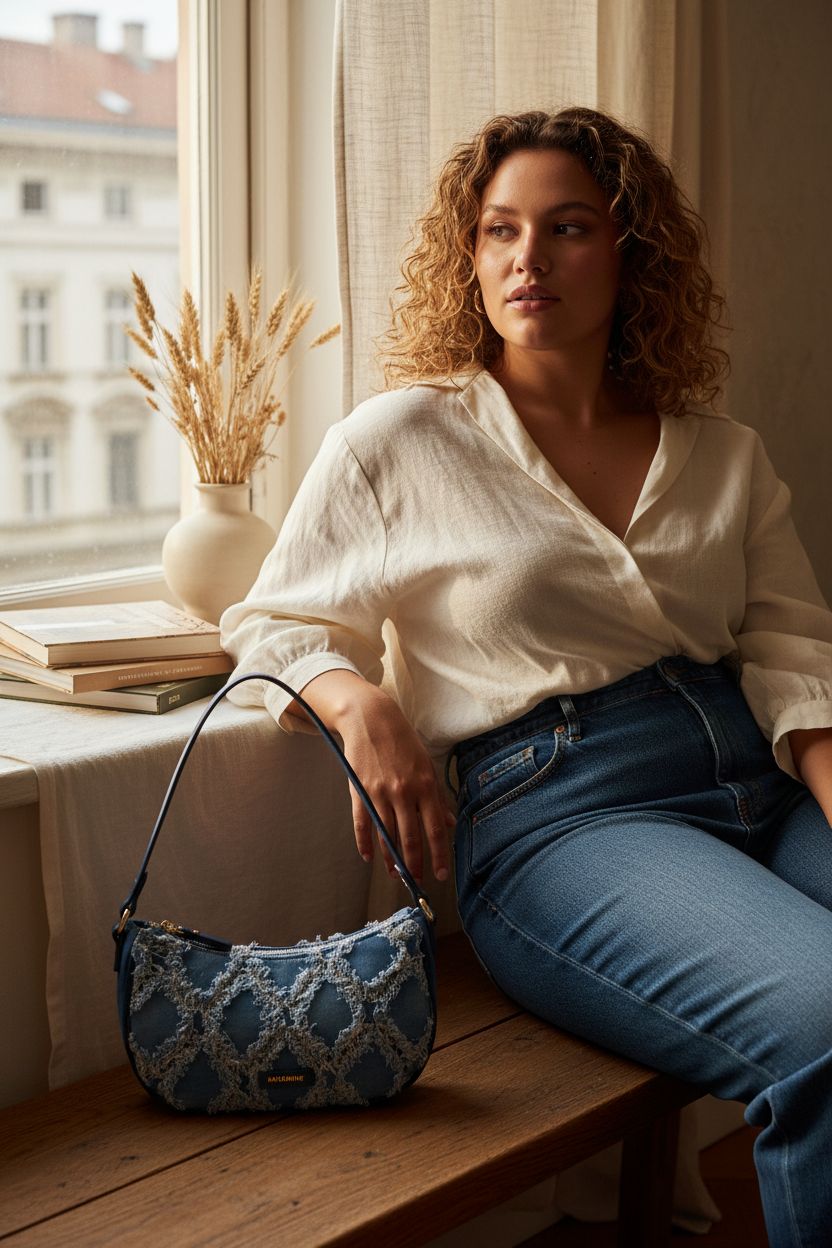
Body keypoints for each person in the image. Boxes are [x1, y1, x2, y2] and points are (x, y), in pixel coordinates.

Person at [220, 108, 832, 1246]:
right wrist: (359, 700)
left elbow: (795, 652)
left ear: (631, 251)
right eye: (498, 230)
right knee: (825, 1022)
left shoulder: (722, 452)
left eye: (567, 227)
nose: (526, 259)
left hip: (757, 778)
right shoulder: (400, 440)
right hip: (567, 818)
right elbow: (270, 622)